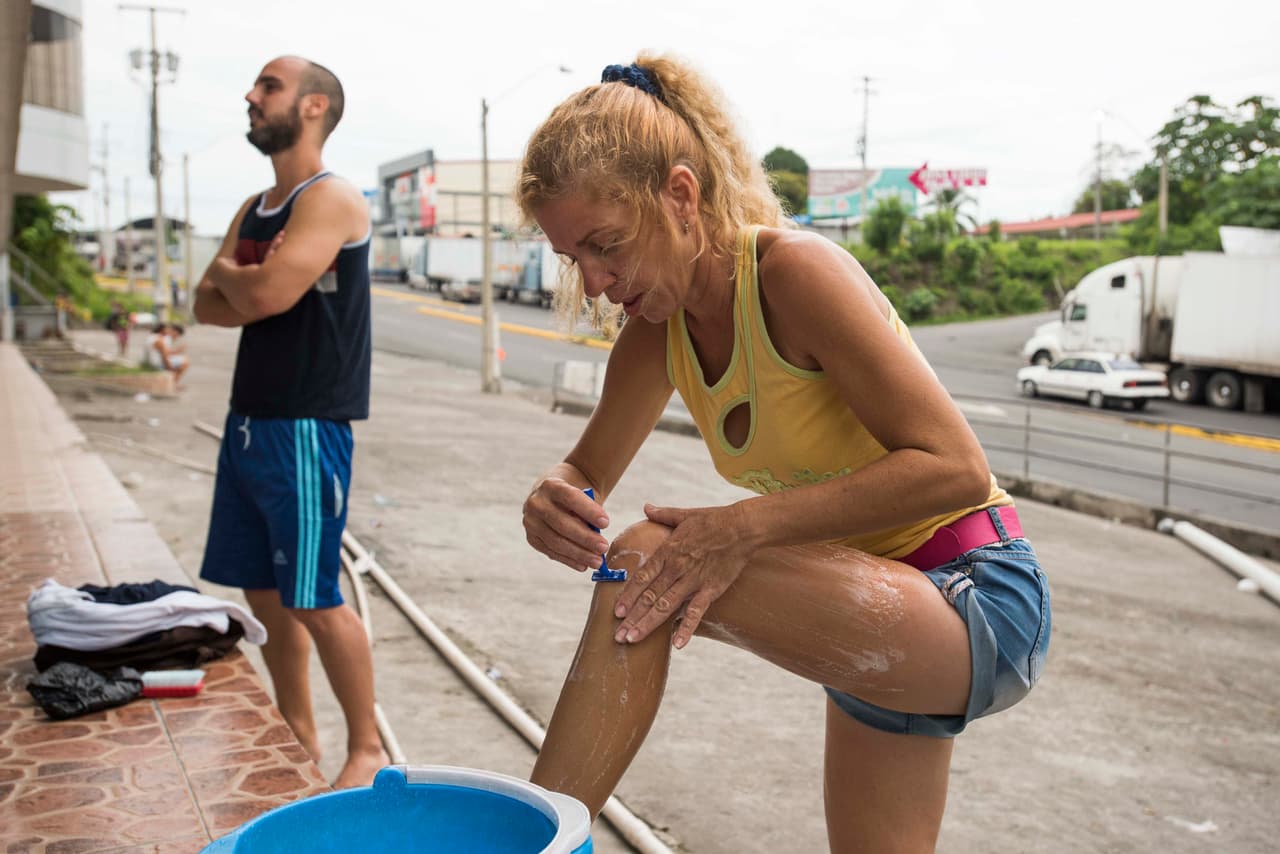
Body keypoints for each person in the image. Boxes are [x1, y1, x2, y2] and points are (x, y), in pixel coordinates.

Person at [516, 54, 1051, 851]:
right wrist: (552, 497)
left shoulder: (796, 275)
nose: (594, 282)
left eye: (606, 244)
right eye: (573, 259)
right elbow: (584, 473)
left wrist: (745, 526)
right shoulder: (654, 335)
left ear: (682, 194)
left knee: (646, 561)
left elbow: (955, 468)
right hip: (870, 604)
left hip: (973, 593)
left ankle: (536, 839)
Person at [192, 55, 386, 789]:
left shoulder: (330, 198)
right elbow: (203, 305)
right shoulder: (253, 209)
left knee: (313, 595)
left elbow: (264, 295)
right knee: (263, 593)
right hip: (248, 424)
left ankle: (365, 749)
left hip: (307, 425)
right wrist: (245, 281)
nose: (250, 94)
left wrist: (238, 277)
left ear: (312, 107)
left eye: (268, 86)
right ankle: (297, 729)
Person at [144, 321, 189, 389]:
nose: (169, 330)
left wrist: (177, 351)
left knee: (181, 361)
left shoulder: (153, 337)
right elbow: (165, 357)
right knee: (185, 362)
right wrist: (170, 368)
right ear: (162, 330)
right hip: (156, 364)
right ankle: (172, 385)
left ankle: (172, 384)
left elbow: (165, 353)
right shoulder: (160, 340)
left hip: (150, 362)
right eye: (167, 329)